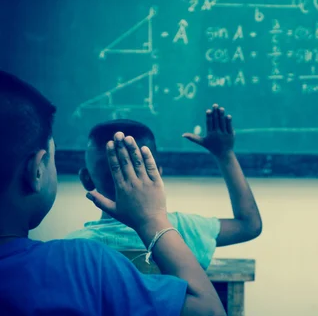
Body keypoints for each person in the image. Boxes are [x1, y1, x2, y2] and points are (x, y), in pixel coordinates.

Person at [0, 70, 225, 315]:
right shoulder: (79, 264)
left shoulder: (76, 246)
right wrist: (152, 218)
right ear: (37, 171)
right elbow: (209, 311)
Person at [66, 108, 262, 269]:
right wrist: (225, 155)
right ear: (156, 174)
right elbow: (249, 225)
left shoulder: (73, 249)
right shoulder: (185, 231)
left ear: (86, 179)